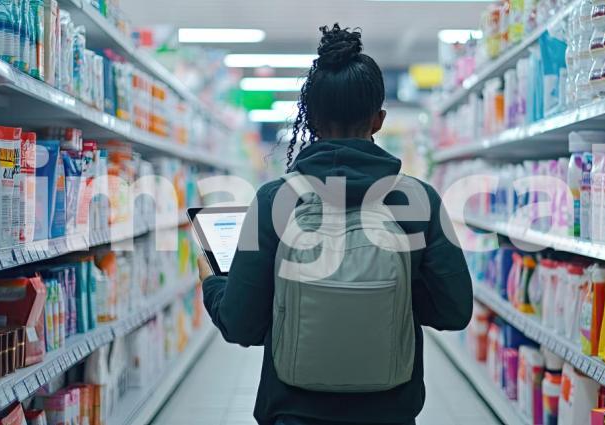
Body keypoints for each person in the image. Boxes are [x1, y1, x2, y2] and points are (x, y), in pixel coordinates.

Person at [199, 24, 473, 425]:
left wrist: (212, 281)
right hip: (389, 410)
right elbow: (455, 311)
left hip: (293, 410)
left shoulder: (276, 200)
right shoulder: (416, 200)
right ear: (378, 121)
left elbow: (242, 324)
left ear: (310, 119)